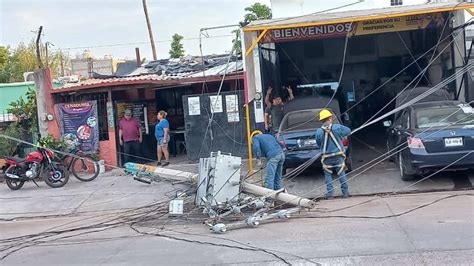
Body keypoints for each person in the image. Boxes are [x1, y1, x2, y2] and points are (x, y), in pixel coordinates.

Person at [315, 109, 351, 199]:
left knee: (328, 175)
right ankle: (345, 193)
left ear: (322, 120)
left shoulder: (319, 131)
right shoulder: (337, 127)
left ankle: (330, 194)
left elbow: (319, 144)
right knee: (341, 173)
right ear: (330, 118)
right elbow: (348, 131)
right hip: (338, 156)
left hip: (326, 157)